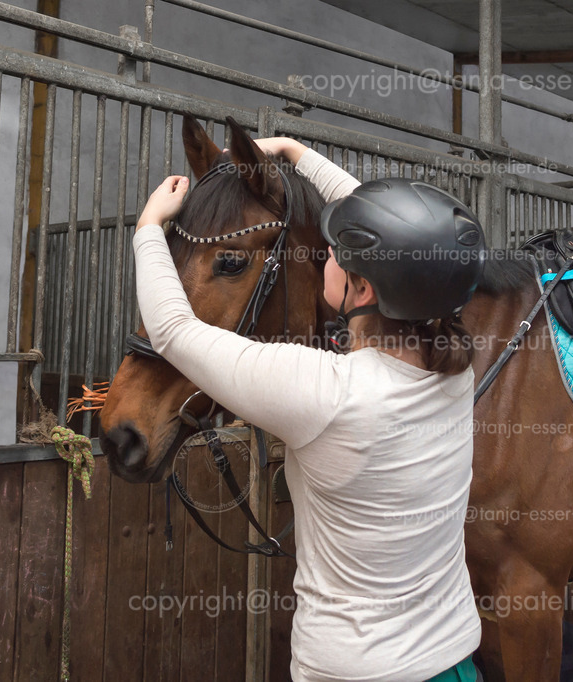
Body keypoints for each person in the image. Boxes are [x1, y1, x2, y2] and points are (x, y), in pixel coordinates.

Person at [133, 136, 484, 681]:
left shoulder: (325, 393)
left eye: (335, 253)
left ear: (361, 289)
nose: (325, 253)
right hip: (454, 661)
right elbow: (415, 247)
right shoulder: (457, 371)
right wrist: (293, 151)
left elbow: (174, 330)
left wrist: (149, 227)